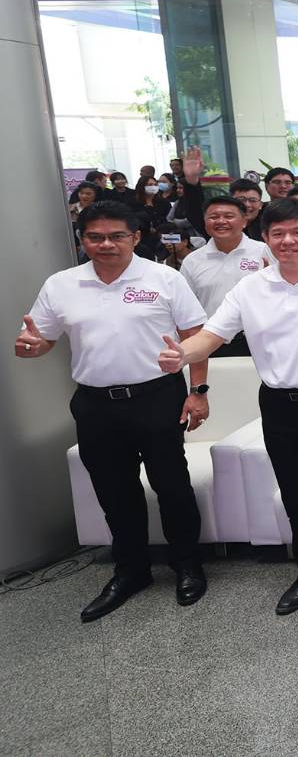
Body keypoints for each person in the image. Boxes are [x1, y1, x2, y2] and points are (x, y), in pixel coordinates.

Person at [158, 197, 298, 615]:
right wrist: (182, 355)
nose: (287, 240)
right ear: (265, 238)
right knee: (296, 491)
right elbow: (212, 335)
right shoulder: (251, 288)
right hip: (279, 405)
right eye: (278, 233)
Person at [17, 201, 210, 621]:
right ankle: (131, 570)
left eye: (116, 236)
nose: (106, 244)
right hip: (95, 403)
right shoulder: (62, 284)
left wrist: (198, 391)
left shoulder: (164, 278)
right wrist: (34, 346)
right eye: (95, 237)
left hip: (157, 397)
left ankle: (187, 564)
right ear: (82, 239)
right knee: (114, 491)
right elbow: (43, 337)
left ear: (135, 237)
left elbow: (195, 335)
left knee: (172, 485)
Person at [177, 194, 266, 357]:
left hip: (259, 339)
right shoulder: (193, 260)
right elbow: (185, 307)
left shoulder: (265, 252)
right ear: (205, 223)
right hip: (210, 341)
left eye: (229, 216)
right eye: (214, 217)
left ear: (244, 221)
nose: (221, 221)